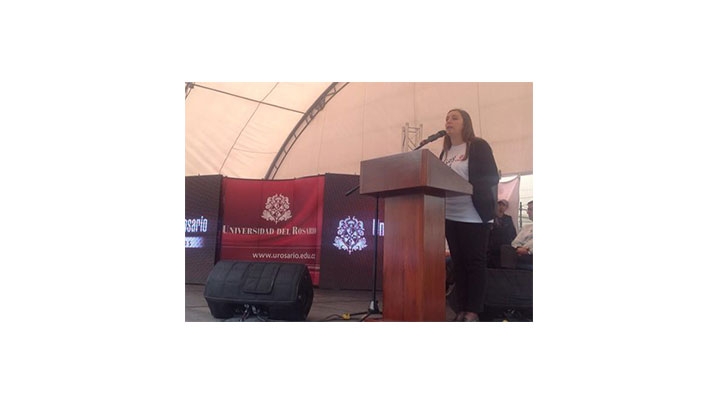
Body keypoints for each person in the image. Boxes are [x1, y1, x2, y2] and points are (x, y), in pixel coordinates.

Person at [440, 108, 499, 322]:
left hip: (473, 214)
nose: (449, 121)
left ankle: (473, 310)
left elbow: (491, 176)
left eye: (454, 118)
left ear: (466, 123)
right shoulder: (445, 152)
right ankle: (461, 308)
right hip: (450, 214)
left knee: (474, 263)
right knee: (459, 263)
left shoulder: (477, 146)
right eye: (447, 118)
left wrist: (470, 187)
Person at [501, 200, 532, 270]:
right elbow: (515, 242)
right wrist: (519, 248)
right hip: (520, 253)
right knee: (505, 248)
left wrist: (528, 250)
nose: (528, 212)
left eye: (531, 209)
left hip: (531, 255)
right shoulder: (526, 227)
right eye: (528, 209)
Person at [487, 199, 517, 268]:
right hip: (492, 246)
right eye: (499, 204)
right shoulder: (492, 217)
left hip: (504, 246)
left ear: (506, 207)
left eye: (503, 205)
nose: (501, 207)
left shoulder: (508, 219)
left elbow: (512, 232)